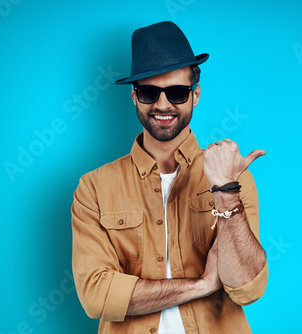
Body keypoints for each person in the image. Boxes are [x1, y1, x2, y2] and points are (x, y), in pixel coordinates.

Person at [71, 21, 268, 334]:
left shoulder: (231, 176)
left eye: (177, 92)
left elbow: (246, 288)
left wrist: (226, 190)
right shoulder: (94, 188)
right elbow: (97, 296)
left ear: (195, 95)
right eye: (150, 92)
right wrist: (202, 285)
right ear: (134, 97)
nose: (163, 104)